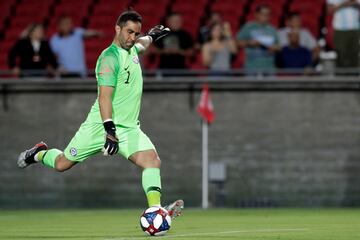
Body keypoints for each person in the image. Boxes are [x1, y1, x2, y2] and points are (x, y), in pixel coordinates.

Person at [18, 11, 184, 218]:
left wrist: (151, 35)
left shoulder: (132, 48)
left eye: (136, 33)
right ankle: (38, 153)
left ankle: (155, 210)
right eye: (129, 32)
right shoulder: (109, 59)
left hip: (129, 128)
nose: (132, 37)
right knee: (62, 164)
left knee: (152, 161)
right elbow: (105, 97)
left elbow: (142, 44)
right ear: (117, 29)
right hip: (100, 126)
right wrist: (109, 131)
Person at [237, 5, 280, 74]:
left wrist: (273, 48)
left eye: (268, 15)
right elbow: (237, 42)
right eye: (263, 14)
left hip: (269, 68)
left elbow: (279, 47)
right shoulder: (248, 27)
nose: (266, 17)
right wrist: (249, 43)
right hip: (251, 67)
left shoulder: (272, 29)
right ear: (256, 14)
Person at [327, 0, 360, 68]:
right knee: (341, 57)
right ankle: (341, 77)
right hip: (340, 30)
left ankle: (353, 77)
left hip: (355, 29)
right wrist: (345, 4)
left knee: (354, 57)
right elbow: (329, 10)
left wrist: (353, 4)